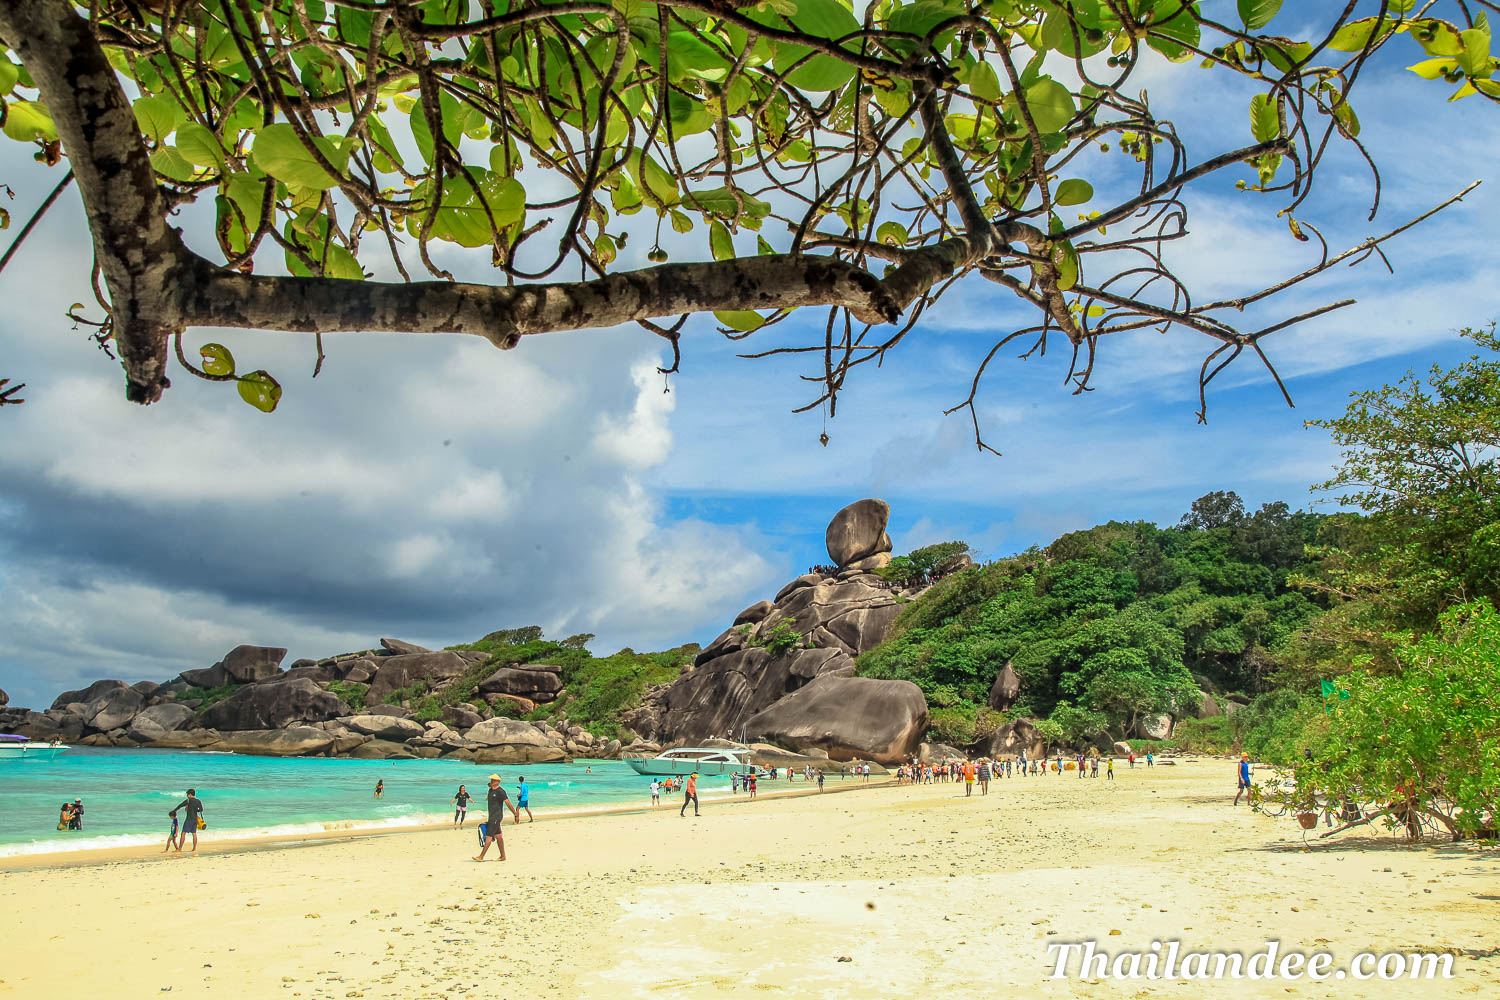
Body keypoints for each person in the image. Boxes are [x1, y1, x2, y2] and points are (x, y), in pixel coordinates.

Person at [474, 774, 519, 861]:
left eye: (494, 780)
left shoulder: (501, 792)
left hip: (496, 817)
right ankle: (503, 856)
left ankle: (481, 856)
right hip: (492, 816)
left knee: (488, 836)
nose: (492, 781)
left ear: (498, 781)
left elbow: (508, 803)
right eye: (491, 780)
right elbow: (489, 789)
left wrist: (515, 813)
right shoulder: (490, 790)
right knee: (498, 836)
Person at [171, 789, 204, 853]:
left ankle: (180, 849)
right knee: (194, 833)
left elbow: (180, 805)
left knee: (183, 833)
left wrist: (174, 810)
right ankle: (194, 848)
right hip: (195, 819)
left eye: (187, 794)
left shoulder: (188, 800)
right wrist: (195, 810)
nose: (187, 796)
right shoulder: (198, 801)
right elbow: (201, 810)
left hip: (189, 819)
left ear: (190, 794)